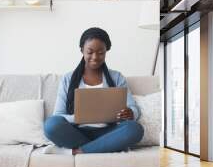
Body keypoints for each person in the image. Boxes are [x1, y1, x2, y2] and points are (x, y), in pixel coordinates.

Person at [43, 27, 144, 155]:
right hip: (77, 133)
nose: (95, 57)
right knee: (51, 125)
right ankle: (103, 147)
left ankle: (80, 151)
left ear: (106, 51)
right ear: (82, 50)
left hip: (108, 132)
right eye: (90, 52)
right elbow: (58, 115)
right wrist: (79, 118)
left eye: (101, 52)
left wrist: (131, 113)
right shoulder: (68, 79)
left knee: (135, 129)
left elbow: (134, 108)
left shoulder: (117, 77)